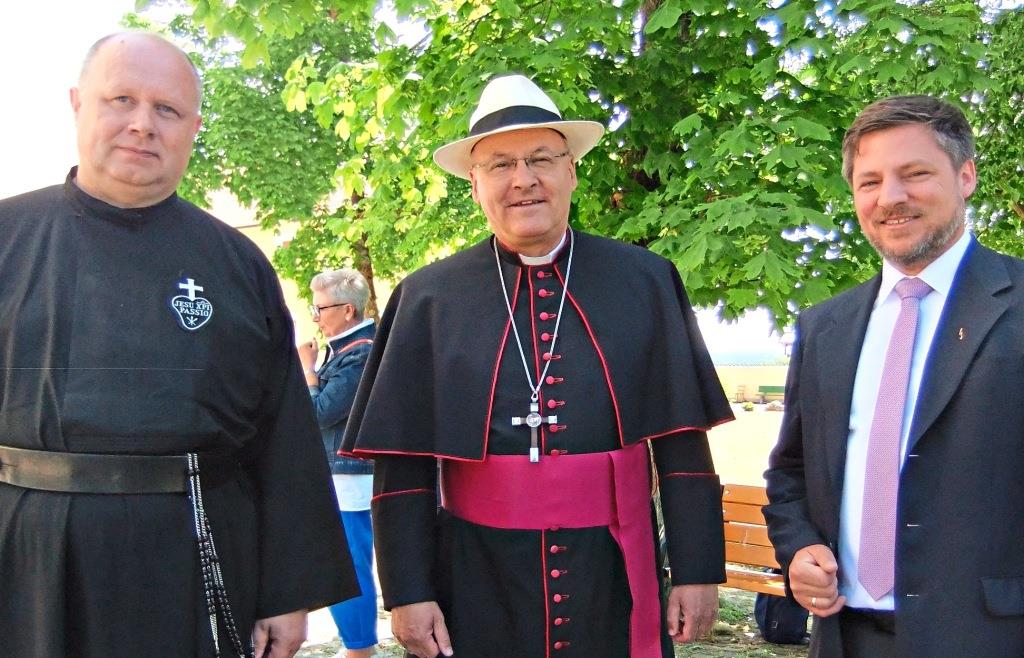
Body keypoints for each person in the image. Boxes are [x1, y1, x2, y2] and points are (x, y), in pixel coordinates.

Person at [342, 74, 734, 658]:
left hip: (612, 570)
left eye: (541, 159)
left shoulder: (644, 280)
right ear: (475, 186)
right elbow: (404, 465)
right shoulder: (428, 297)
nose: (522, 179)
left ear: (571, 171)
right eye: (500, 165)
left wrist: (697, 569)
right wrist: (407, 592)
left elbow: (682, 440)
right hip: (475, 576)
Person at [0, 32, 357, 658]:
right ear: (78, 104)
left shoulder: (237, 264)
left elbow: (283, 436)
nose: (143, 124)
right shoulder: (7, 237)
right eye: (121, 100)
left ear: (193, 129)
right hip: (24, 554)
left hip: (197, 548)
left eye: (166, 109)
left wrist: (287, 591)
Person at [764, 95, 1024, 657]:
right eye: (870, 182)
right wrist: (799, 548)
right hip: (845, 637)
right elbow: (791, 471)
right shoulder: (824, 326)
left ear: (966, 176)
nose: (891, 197)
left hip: (991, 637)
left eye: (915, 174)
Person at [298, 269, 379, 658]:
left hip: (353, 477)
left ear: (348, 310)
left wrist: (308, 371)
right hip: (347, 474)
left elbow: (318, 414)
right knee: (346, 563)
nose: (315, 317)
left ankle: (360, 650)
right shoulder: (352, 348)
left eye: (320, 309)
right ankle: (358, 646)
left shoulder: (361, 352)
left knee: (347, 566)